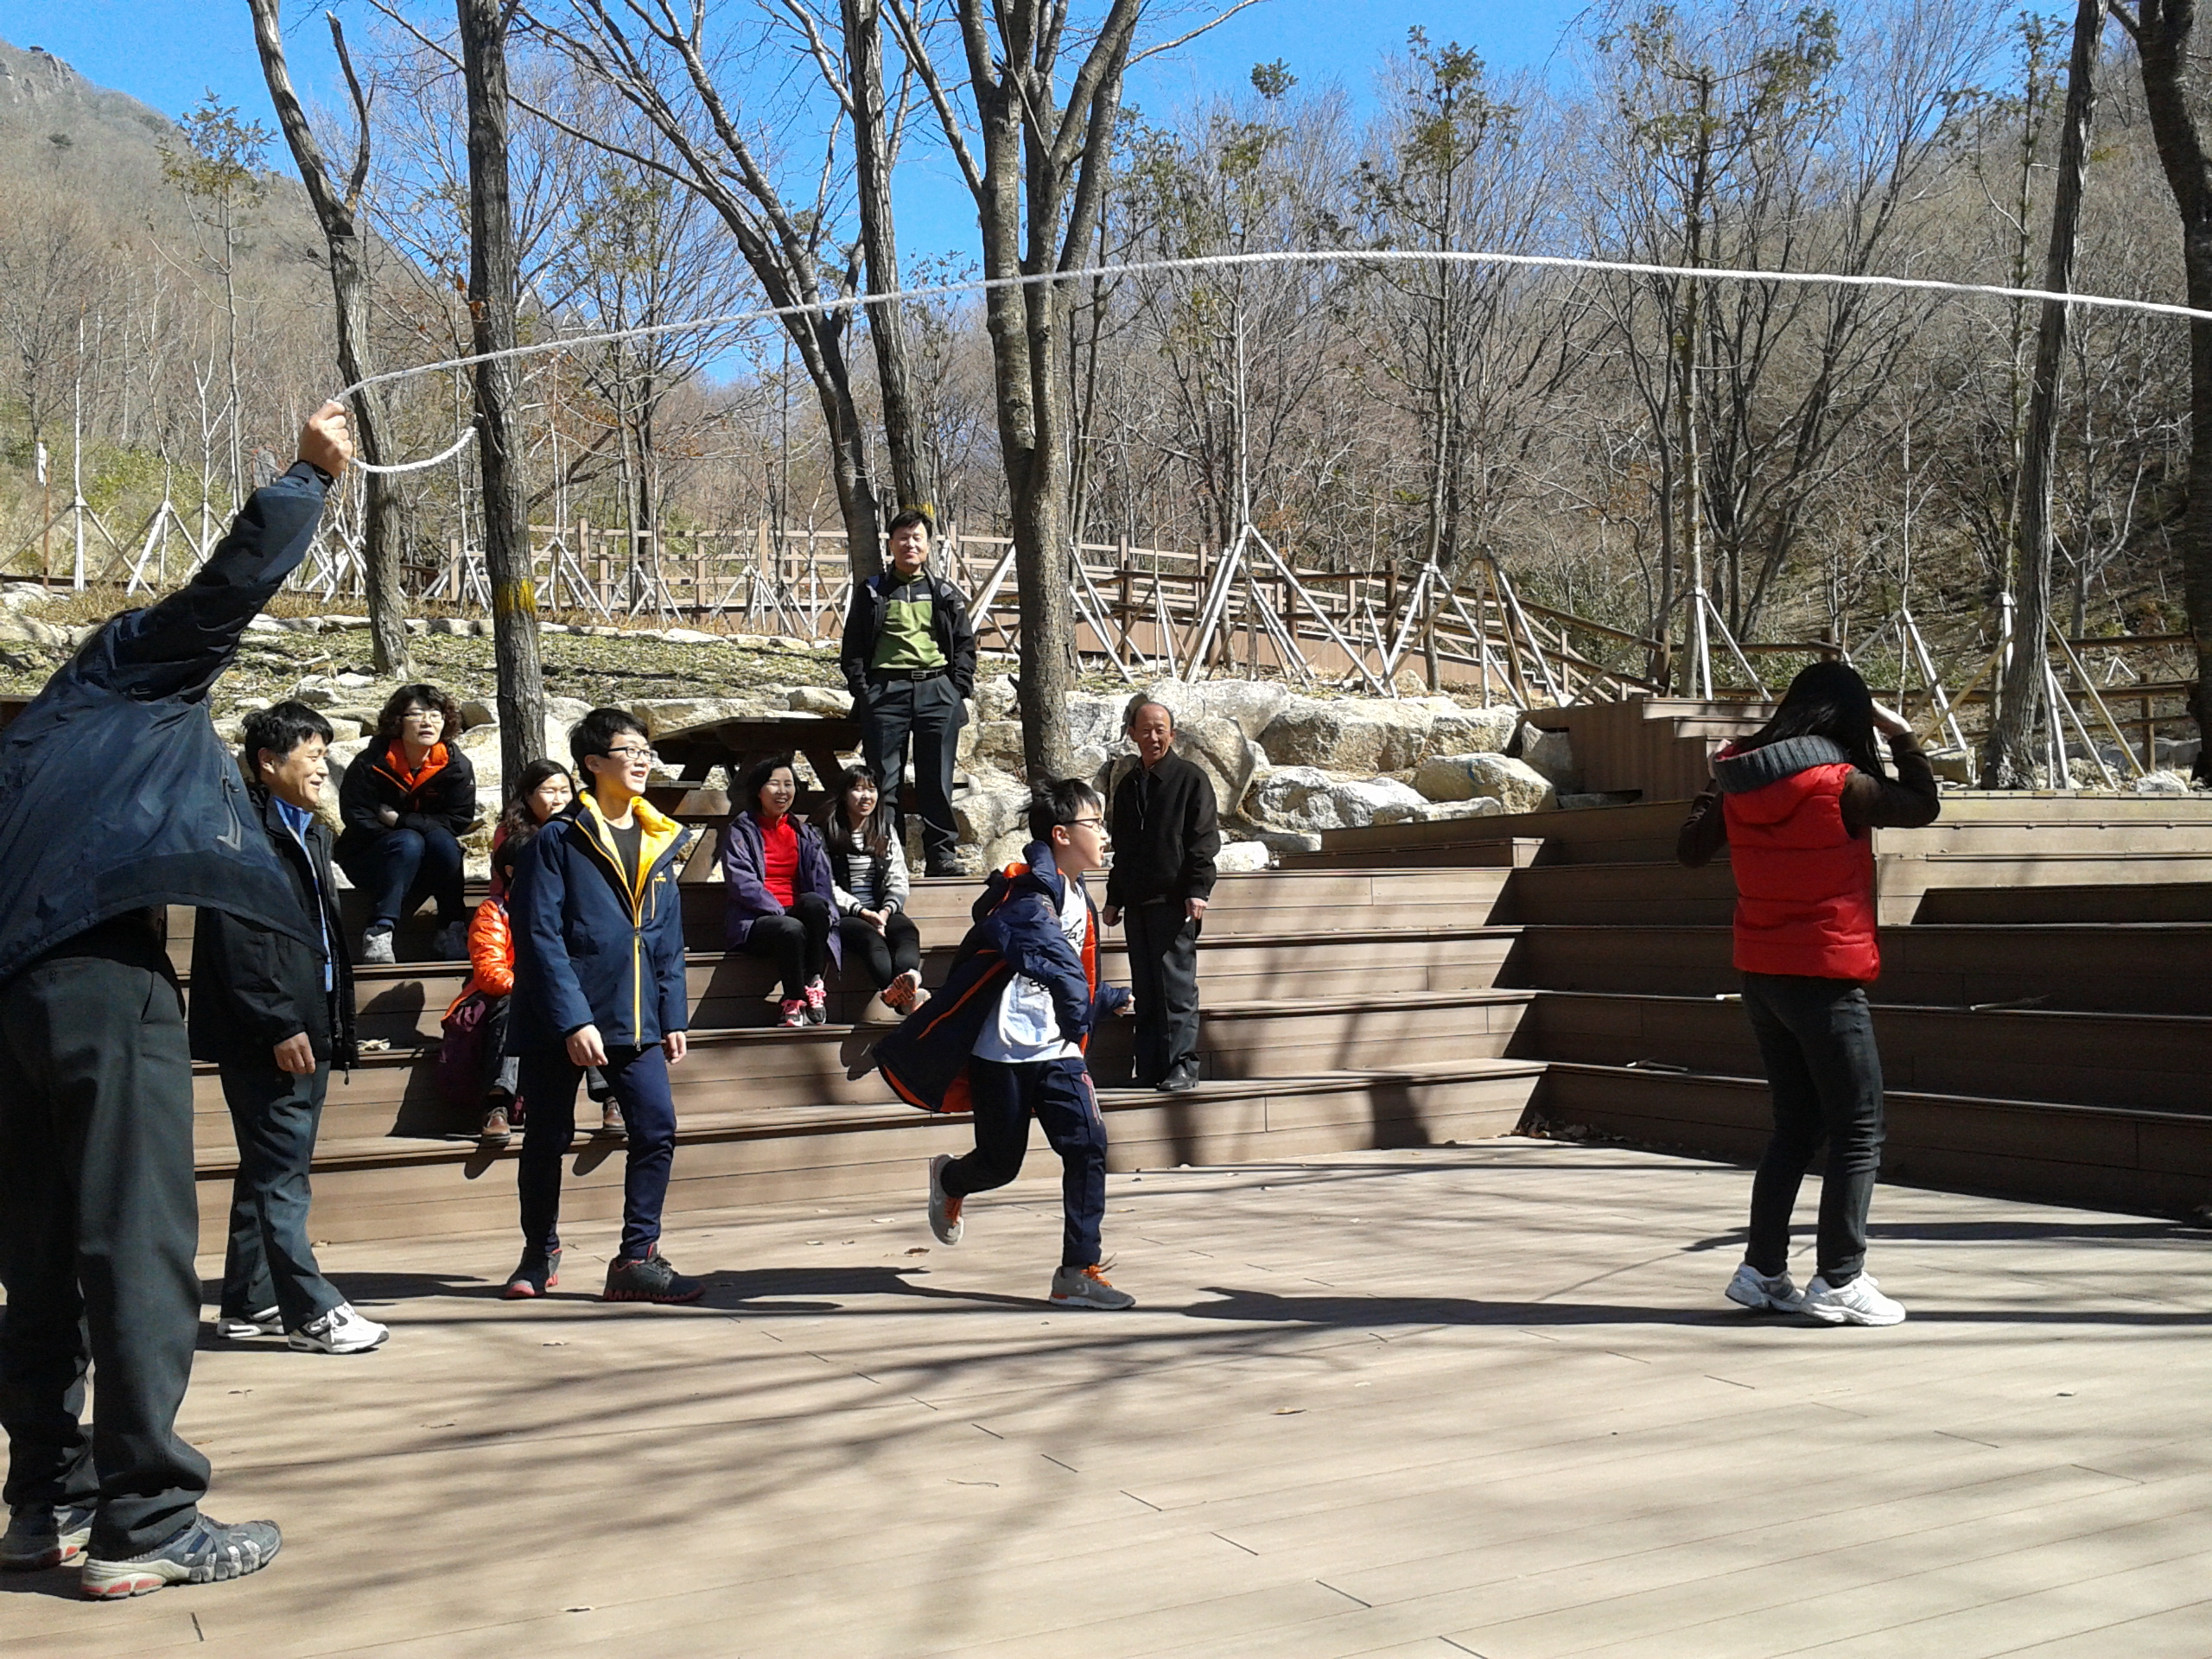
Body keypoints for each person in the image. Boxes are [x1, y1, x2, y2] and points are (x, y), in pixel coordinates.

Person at [0, 400, 349, 1599]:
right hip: (106, 973)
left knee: (37, 1254)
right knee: (138, 1245)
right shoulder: (127, 682)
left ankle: (43, 1502)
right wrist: (307, 479)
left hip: (10, 999)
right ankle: (146, 1519)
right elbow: (219, 596)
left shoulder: (28, 747)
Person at [1677, 660, 1940, 1328]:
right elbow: (1924, 806)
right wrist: (1905, 739)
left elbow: (1688, 850)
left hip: (1762, 977)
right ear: (1850, 719)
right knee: (1858, 1129)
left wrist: (1718, 779)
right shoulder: (1842, 786)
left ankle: (1763, 1271)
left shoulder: (1741, 783)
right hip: (1824, 979)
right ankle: (1841, 1280)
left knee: (1796, 1125)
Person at [873, 779, 1135, 1311]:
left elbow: (1074, 971)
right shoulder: (1024, 892)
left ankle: (1076, 1270)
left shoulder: (1079, 893)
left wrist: (1107, 998)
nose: (1104, 834)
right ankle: (950, 1178)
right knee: (1000, 1164)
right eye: (1095, 823)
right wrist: (1078, 1000)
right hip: (1004, 1050)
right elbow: (1043, 952)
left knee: (1088, 1146)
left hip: (1059, 1049)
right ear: (1061, 835)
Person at [192, 702, 388, 1358]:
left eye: (325, 756)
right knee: (282, 1176)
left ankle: (249, 1303)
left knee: (270, 1167)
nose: (323, 770)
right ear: (267, 763)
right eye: (311, 758)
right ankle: (311, 1311)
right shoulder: (240, 831)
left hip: (311, 1023)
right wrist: (279, 1022)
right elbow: (239, 940)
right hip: (268, 1032)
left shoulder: (309, 830)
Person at [504, 709, 701, 1304]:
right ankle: (540, 1251)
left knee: (657, 1127)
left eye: (647, 750)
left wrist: (672, 1015)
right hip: (556, 1018)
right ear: (593, 764)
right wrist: (573, 1019)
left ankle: (637, 1258)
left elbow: (666, 937)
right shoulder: (556, 840)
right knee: (547, 1136)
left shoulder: (660, 837)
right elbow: (538, 936)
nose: (642, 760)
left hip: (635, 1011)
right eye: (628, 750)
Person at [451, 762, 616, 1145]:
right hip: (512, 984)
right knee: (517, 1004)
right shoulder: (497, 909)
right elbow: (491, 969)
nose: (558, 799)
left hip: (560, 980)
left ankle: (611, 1097)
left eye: (564, 790)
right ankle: (498, 1102)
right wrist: (531, 985)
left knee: (583, 1000)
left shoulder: (584, 831)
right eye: (547, 791)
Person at [839, 510, 977, 877]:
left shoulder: (945, 593)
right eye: (902, 537)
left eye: (917, 538)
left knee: (938, 779)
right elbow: (851, 647)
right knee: (883, 782)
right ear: (891, 544)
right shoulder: (871, 591)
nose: (910, 544)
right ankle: (886, 854)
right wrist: (864, 691)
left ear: (928, 546)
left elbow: (965, 645)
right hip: (886, 691)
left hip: (937, 690)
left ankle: (941, 856)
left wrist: (957, 688)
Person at [1102, 697, 1219, 1092]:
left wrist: (1197, 890)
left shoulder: (1191, 779)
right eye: (1145, 729)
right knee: (1147, 987)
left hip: (1175, 902)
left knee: (1176, 988)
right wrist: (1114, 898)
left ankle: (1183, 1065)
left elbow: (1203, 842)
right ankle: (1150, 1065)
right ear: (1131, 734)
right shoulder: (1127, 785)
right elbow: (1122, 849)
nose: (1153, 737)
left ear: (1172, 733)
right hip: (1137, 903)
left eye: (1160, 729)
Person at [335, 682, 477, 963]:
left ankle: (451, 929)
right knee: (409, 842)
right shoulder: (371, 763)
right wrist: (407, 836)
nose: (427, 722)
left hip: (428, 860)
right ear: (397, 721)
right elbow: (357, 815)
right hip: (370, 859)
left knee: (444, 844)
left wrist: (400, 820)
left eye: (436, 715)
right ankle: (380, 931)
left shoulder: (455, 766)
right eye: (416, 715)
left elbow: (458, 820)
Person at [724, 754, 842, 1027]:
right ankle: (793, 1000)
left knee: (814, 904)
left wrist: (830, 913)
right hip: (756, 920)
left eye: (789, 784)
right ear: (758, 791)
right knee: (789, 928)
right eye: (775, 784)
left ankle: (814, 981)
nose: (783, 791)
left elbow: (822, 883)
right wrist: (778, 910)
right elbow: (742, 883)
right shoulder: (741, 831)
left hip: (797, 915)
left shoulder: (804, 832)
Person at [817, 765, 926, 1015]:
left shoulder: (885, 831)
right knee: (872, 941)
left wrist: (886, 912)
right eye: (857, 790)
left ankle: (906, 982)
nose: (866, 796)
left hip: (882, 909)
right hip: (845, 914)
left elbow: (898, 878)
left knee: (907, 931)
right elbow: (825, 883)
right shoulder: (826, 832)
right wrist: (862, 912)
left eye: (871, 789)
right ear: (844, 794)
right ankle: (903, 995)